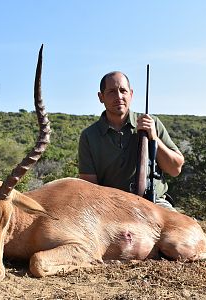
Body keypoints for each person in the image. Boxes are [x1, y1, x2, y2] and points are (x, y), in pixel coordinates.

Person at [78, 71, 184, 210]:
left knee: (178, 229)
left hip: (155, 203)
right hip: (110, 208)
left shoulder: (152, 122)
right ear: (101, 97)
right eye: (111, 92)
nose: (119, 97)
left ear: (131, 94)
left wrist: (154, 138)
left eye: (123, 90)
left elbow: (175, 169)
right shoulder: (89, 136)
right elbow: (89, 189)